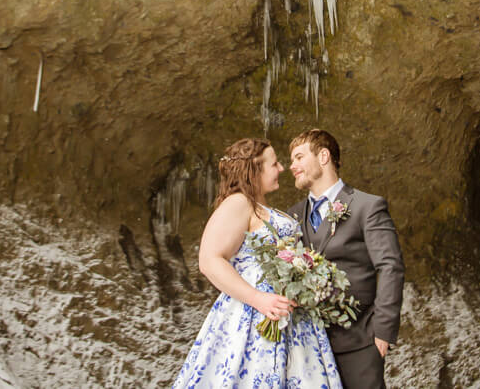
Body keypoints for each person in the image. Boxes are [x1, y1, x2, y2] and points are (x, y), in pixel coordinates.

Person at [172, 138, 342, 388]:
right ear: (254, 170)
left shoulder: (261, 207)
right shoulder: (238, 203)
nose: (282, 168)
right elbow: (209, 260)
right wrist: (259, 299)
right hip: (255, 315)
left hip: (289, 316)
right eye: (274, 164)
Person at [287, 129, 404, 389]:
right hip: (308, 346)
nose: (291, 166)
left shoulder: (367, 206)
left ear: (324, 156)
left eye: (298, 157)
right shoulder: (291, 216)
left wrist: (382, 330)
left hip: (360, 342)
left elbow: (390, 267)